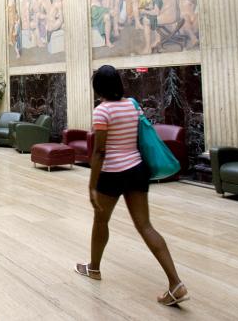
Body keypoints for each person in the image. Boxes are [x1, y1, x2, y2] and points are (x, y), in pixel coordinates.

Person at [76, 65, 188, 307]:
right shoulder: (132, 105)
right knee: (145, 226)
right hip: (137, 170)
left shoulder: (102, 111)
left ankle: (94, 268)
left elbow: (100, 151)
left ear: (98, 87)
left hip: (112, 174)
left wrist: (92, 185)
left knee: (100, 221)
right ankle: (176, 283)